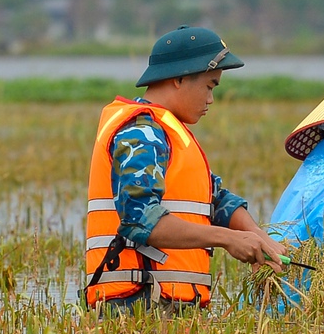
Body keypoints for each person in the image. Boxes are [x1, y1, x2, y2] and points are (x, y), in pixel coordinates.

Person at [83, 26, 284, 309]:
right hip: (139, 305)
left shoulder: (166, 130)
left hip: (166, 304)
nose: (211, 99)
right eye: (209, 86)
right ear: (179, 78)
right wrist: (229, 239)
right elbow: (141, 220)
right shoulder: (141, 133)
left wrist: (259, 237)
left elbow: (216, 199)